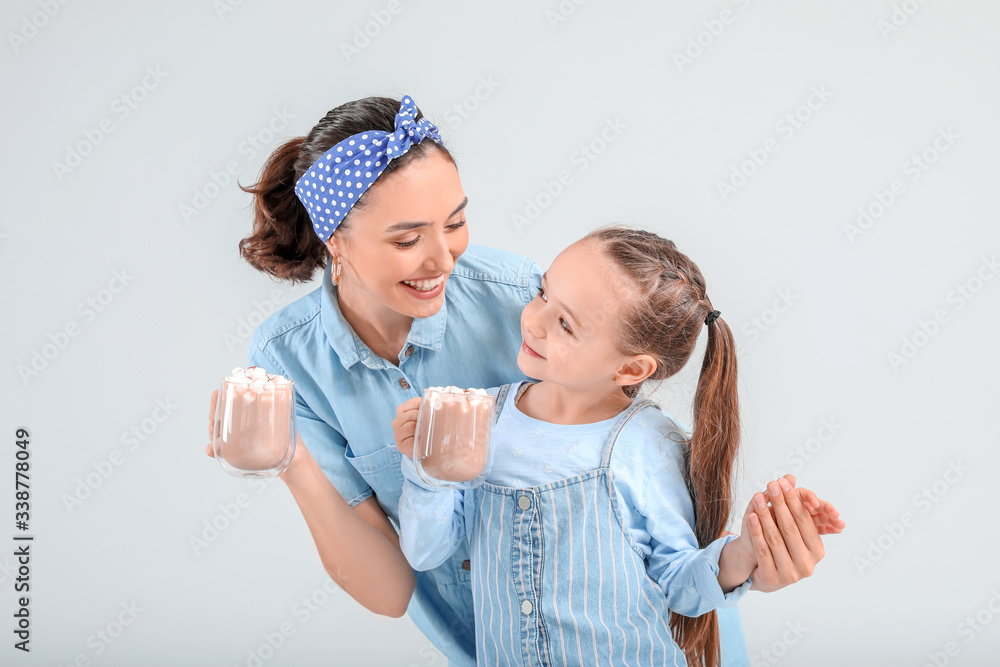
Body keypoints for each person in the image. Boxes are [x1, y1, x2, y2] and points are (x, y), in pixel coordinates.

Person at [204, 94, 833, 666]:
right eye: (406, 239)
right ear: (333, 239)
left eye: (454, 223)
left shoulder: (516, 297)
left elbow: (625, 456)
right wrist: (299, 461)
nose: (443, 259)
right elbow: (399, 582)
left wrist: (748, 558)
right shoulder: (290, 358)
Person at [393, 227, 844, 667]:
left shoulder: (647, 444)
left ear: (631, 369)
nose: (534, 320)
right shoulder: (479, 417)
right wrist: (426, 471)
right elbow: (427, 554)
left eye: (566, 324)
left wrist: (746, 550)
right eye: (544, 294)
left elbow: (681, 586)